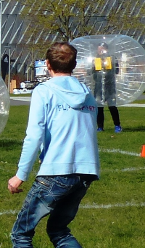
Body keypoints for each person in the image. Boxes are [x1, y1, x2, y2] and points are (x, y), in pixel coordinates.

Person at [7, 42, 99, 248]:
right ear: (74, 65)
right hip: (86, 172)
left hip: (57, 171)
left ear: (47, 64)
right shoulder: (86, 92)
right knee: (59, 230)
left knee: (21, 234)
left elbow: (34, 135)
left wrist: (20, 175)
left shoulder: (44, 91)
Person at [92, 42, 122, 132]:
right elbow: (91, 72)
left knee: (112, 106)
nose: (100, 50)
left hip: (110, 86)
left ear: (106, 49)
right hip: (98, 86)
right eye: (99, 48)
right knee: (99, 107)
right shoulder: (95, 59)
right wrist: (93, 65)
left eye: (102, 48)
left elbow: (116, 71)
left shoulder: (112, 58)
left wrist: (108, 65)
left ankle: (117, 125)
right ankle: (100, 127)